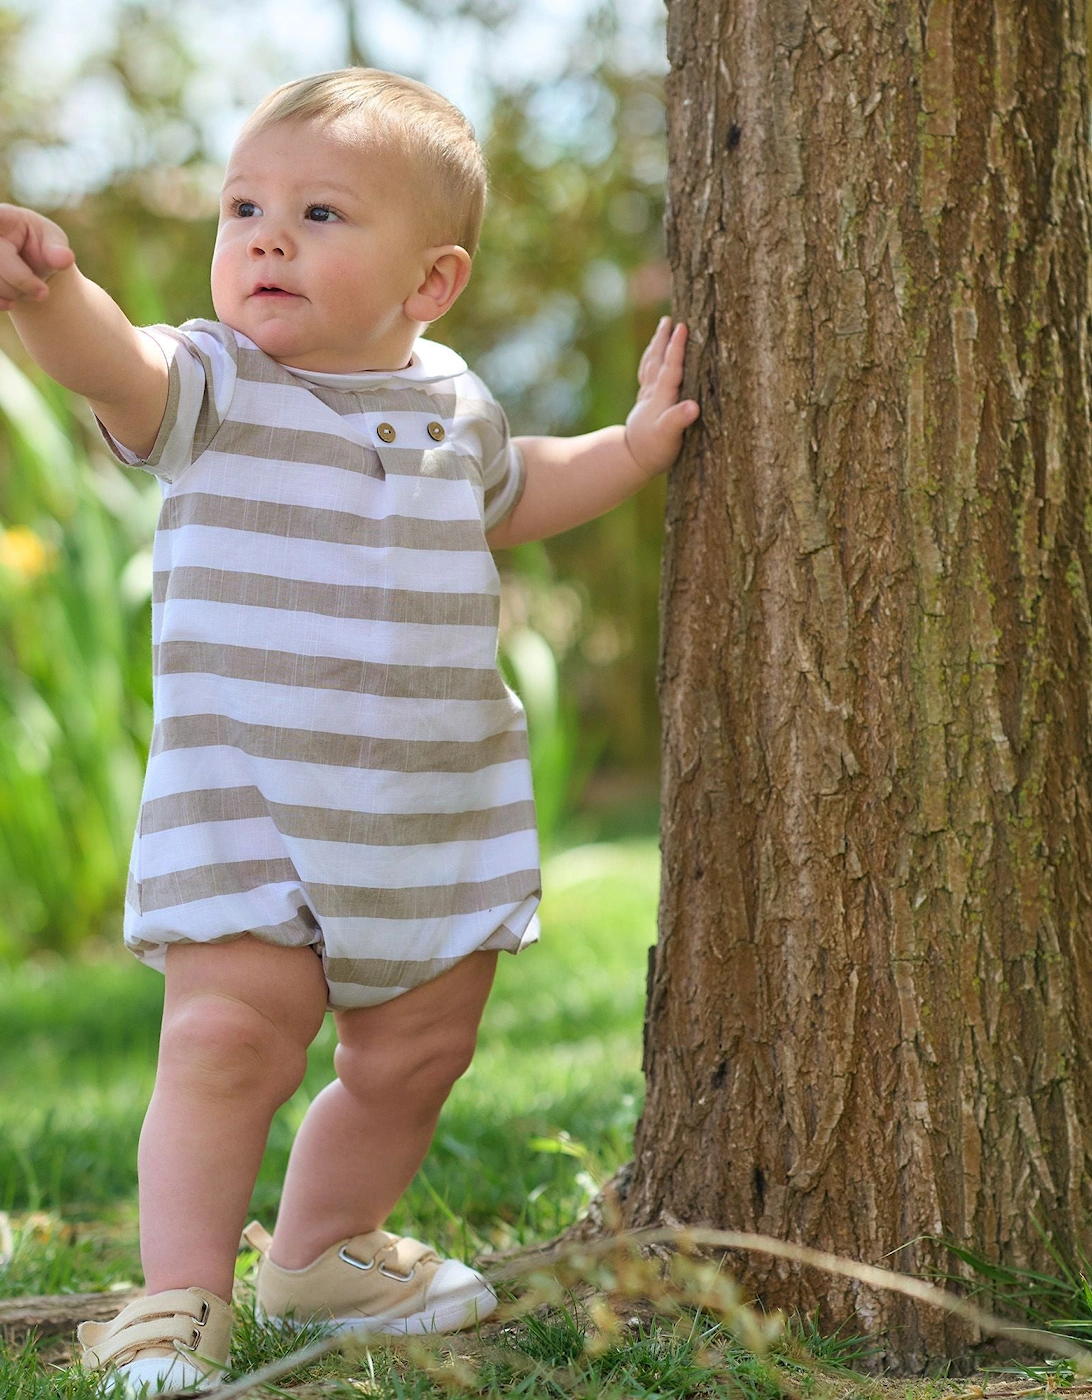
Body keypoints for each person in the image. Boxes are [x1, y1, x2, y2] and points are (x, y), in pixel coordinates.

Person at [0, 67, 699, 1396]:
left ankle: (320, 1253)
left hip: (428, 815)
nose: (265, 236)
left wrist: (629, 445)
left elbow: (514, 488)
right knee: (225, 1042)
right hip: (250, 805)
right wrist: (49, 297)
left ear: (430, 283)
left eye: (319, 213)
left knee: (422, 1049)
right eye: (245, 206)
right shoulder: (214, 387)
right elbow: (117, 362)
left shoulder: (454, 402)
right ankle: (176, 1304)